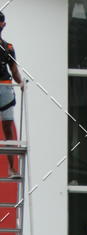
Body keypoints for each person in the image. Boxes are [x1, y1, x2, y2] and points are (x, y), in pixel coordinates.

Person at [0, 12, 24, 178]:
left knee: (8, 127)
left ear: (3, 25)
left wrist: (21, 82)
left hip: (6, 87)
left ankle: (12, 168)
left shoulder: (8, 47)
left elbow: (14, 69)